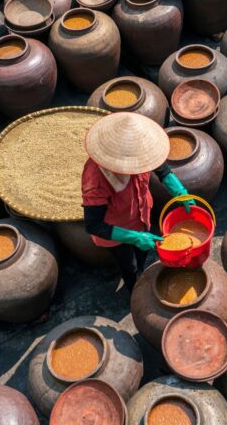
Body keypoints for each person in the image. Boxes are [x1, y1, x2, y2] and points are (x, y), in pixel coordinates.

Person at [82, 112, 193, 291]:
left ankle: (140, 269)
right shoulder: (97, 179)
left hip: (142, 215)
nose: (142, 162)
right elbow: (93, 224)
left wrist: (179, 191)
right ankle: (133, 288)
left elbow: (161, 168)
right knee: (128, 265)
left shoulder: (142, 151)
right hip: (117, 231)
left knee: (142, 254)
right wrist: (135, 238)